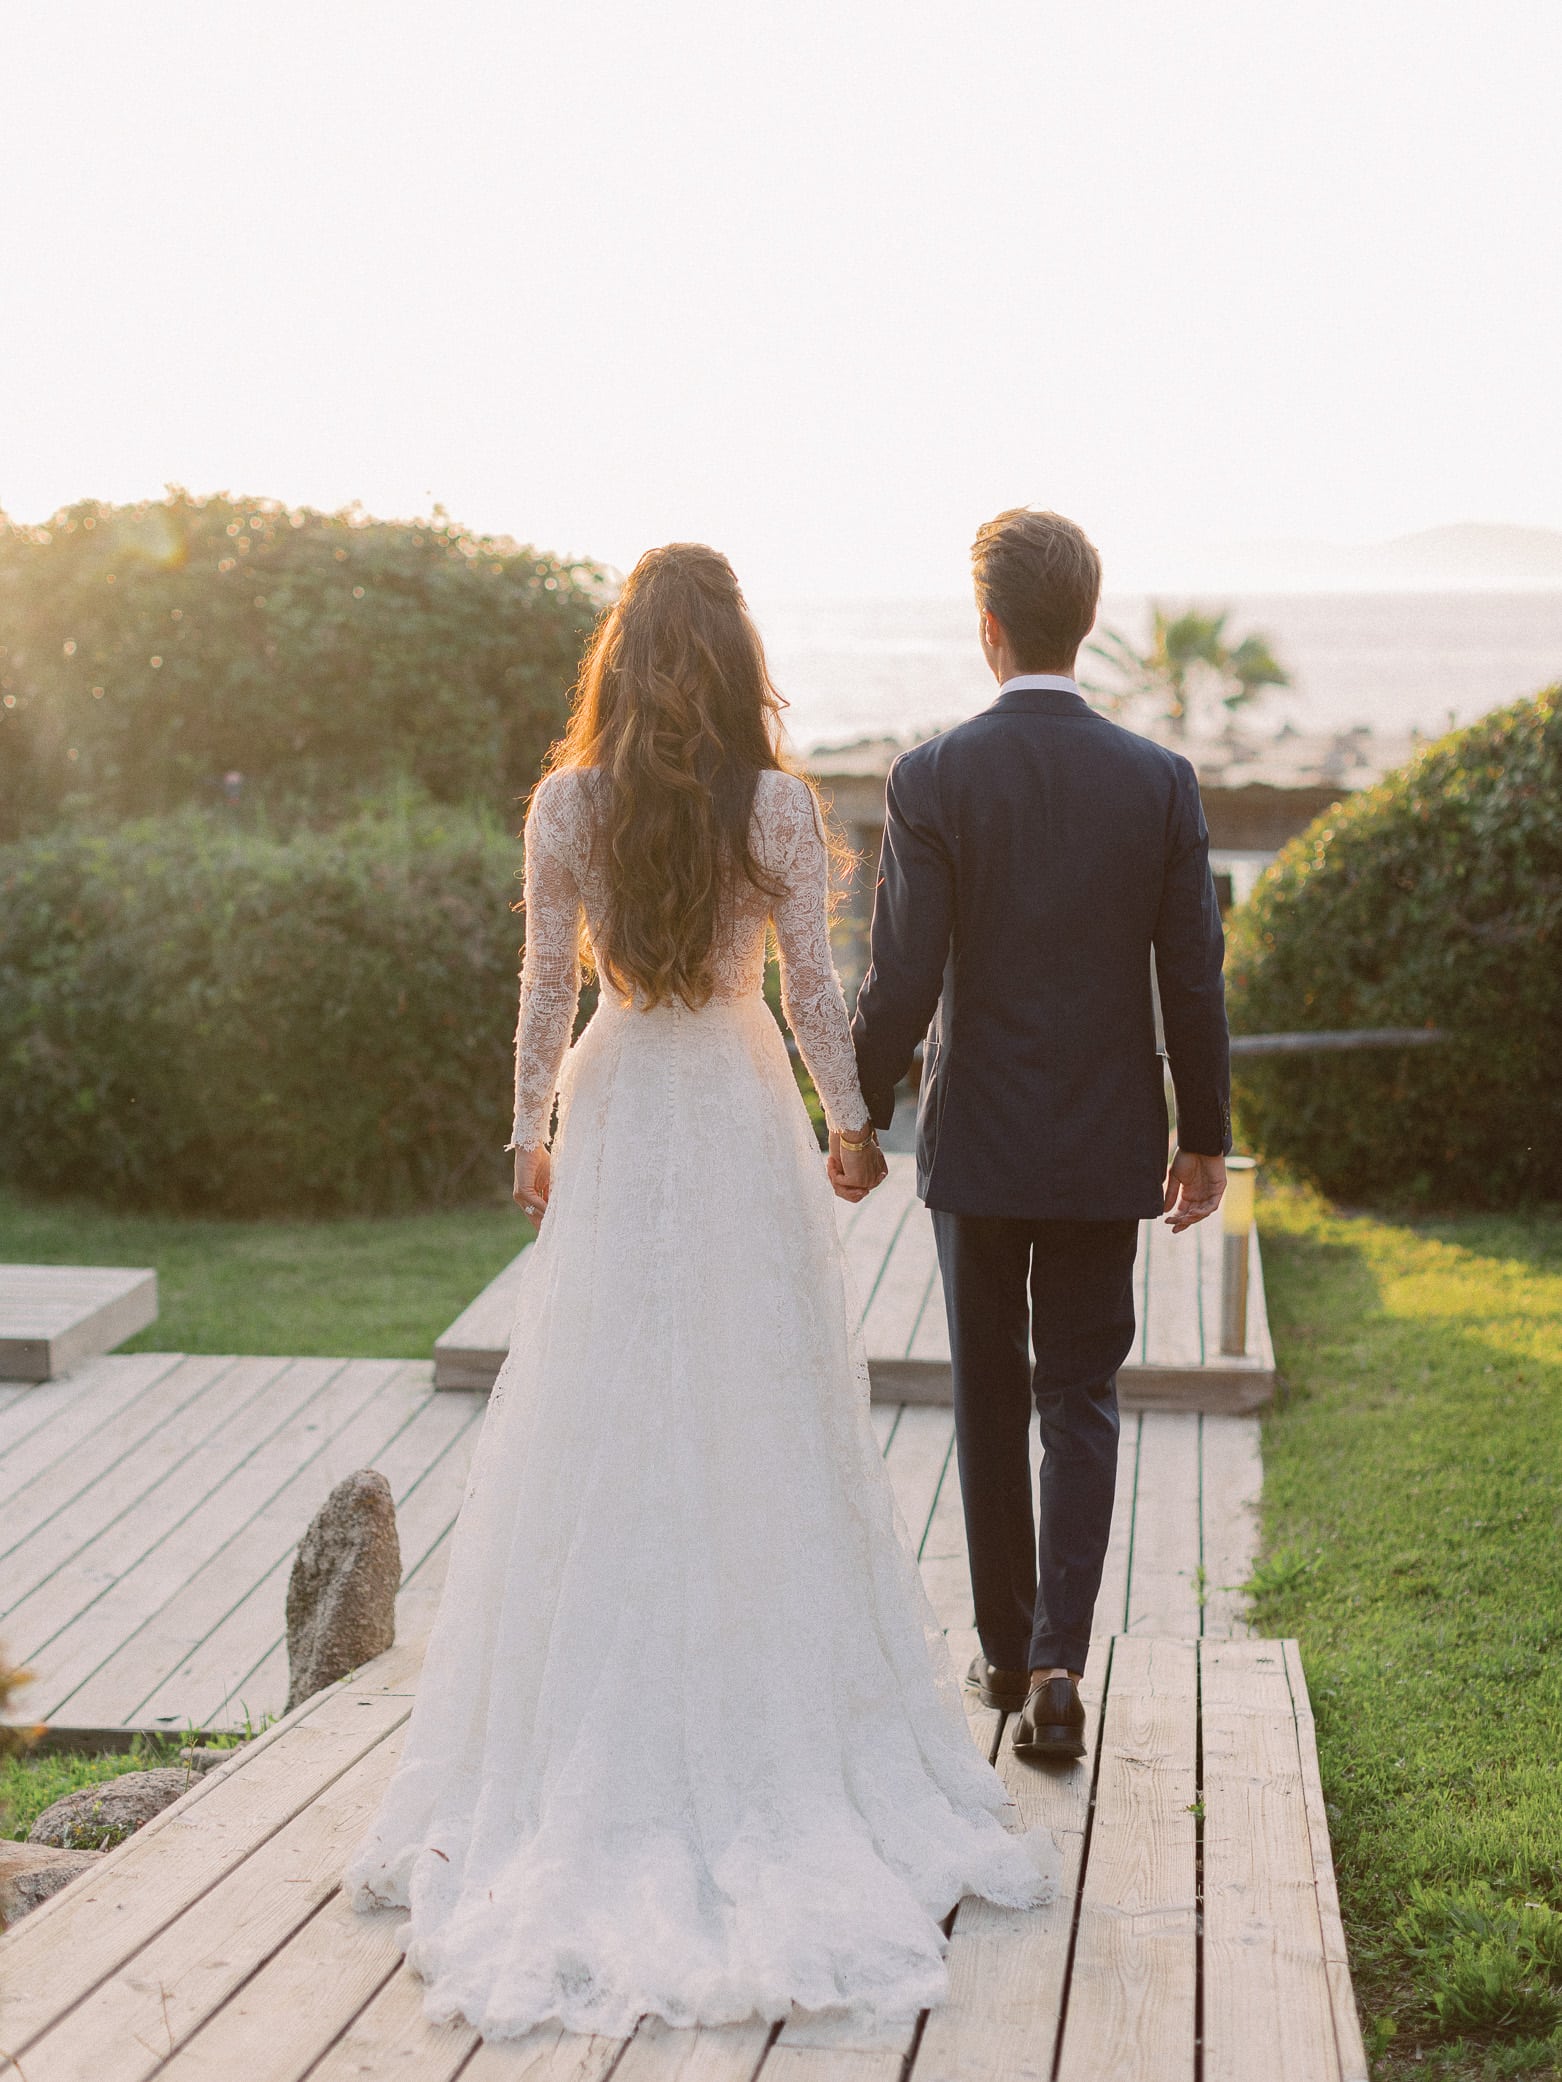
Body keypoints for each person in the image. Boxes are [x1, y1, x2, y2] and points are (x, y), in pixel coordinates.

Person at [346, 543, 1051, 2039]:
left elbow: (547, 980)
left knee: (601, 1407)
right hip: (732, 1114)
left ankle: (582, 1745)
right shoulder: (776, 804)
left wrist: (529, 1128)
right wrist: (852, 1121)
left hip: (618, 1106)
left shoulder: (567, 803)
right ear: (736, 658)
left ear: (618, 654)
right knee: (752, 1405)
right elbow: (807, 987)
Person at [850, 508, 1230, 1764]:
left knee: (986, 1392)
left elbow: (899, 983)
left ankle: (1005, 1652)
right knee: (1080, 1395)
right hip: (1103, 1139)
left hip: (977, 1148)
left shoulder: (932, 776)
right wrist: (1203, 1137)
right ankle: (1065, 1656)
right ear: (1087, 621)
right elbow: (1192, 981)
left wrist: (852, 1115)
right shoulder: (1158, 781)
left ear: (989, 628)